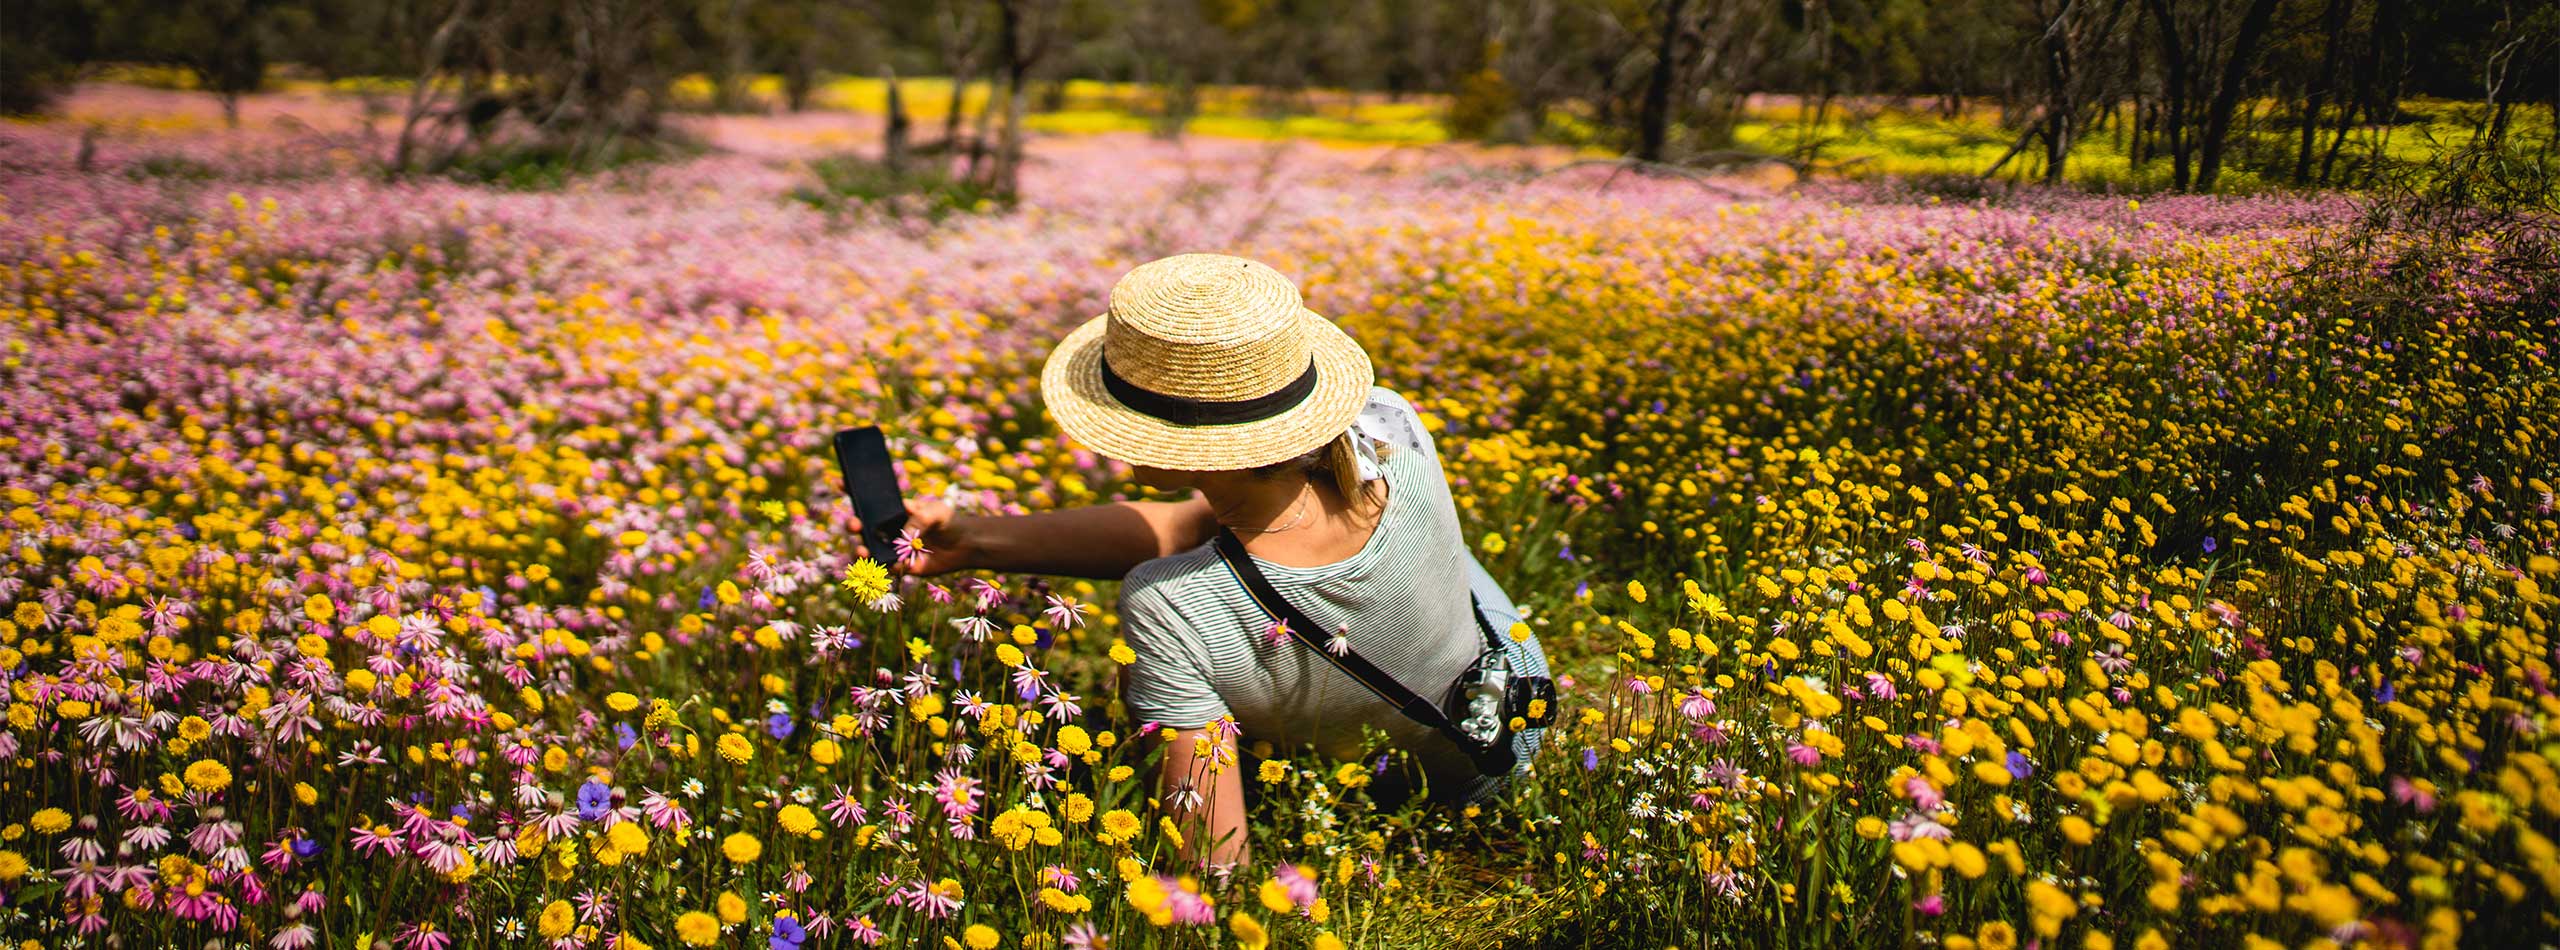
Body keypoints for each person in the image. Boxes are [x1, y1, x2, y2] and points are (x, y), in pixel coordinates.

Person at [850, 252, 1548, 872]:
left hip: (1422, 794)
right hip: (1516, 699)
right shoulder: (1389, 425)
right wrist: (974, 543)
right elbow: (1194, 527)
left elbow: (1215, 854)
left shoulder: (1170, 604)